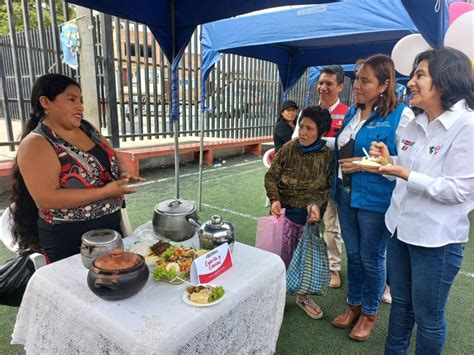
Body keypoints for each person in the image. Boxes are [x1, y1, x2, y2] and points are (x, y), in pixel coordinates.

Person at [368, 47, 474, 354]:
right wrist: (391, 163)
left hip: (436, 241)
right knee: (401, 305)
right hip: (400, 230)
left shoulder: (467, 126)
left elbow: (459, 191)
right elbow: (408, 171)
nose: (409, 82)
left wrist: (405, 173)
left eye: (419, 75)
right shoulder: (416, 120)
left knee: (428, 317)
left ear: (443, 82)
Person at [10, 73, 143, 263]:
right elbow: (47, 198)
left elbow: (109, 153)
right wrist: (105, 192)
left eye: (80, 100)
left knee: (114, 279)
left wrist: (123, 173)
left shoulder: (86, 128)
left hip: (110, 225)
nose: (80, 106)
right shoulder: (36, 143)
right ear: (45, 102)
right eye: (71, 99)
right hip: (68, 235)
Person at [331, 54, 414, 341]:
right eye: (357, 80)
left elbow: (406, 162)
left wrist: (368, 163)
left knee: (371, 258)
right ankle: (353, 305)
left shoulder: (400, 115)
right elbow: (342, 146)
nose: (357, 85)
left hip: (375, 200)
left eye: (366, 81)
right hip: (345, 195)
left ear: (384, 84)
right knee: (353, 256)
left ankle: (369, 313)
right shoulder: (355, 113)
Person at [265, 106, 334, 320]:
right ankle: (276, 298)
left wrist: (315, 205)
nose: (303, 133)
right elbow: (271, 177)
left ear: (321, 132)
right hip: (283, 215)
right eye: (301, 126)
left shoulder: (326, 155)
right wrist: (275, 199)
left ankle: (302, 297)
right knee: (279, 258)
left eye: (309, 129)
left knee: (304, 260)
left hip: (308, 219)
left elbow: (326, 188)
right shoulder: (288, 148)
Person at [293, 65, 349, 288]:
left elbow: (346, 146)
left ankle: (333, 268)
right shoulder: (307, 112)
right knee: (308, 223)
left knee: (333, 227)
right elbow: (295, 140)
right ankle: (309, 264)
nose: (323, 88)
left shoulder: (348, 113)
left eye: (329, 84)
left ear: (340, 87)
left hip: (336, 180)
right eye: (321, 83)